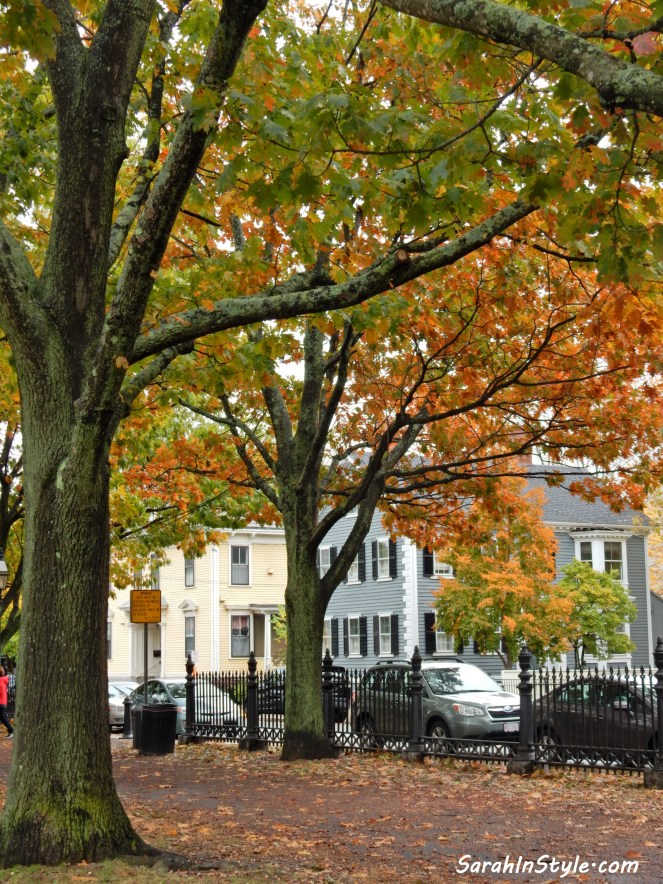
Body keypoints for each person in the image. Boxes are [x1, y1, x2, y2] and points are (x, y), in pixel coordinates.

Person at [0, 667, 14, 738]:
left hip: (1, 702)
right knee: (3, 718)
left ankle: (11, 730)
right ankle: (11, 731)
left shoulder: (1, 680)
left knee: (3, 718)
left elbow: (1, 691)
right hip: (3, 702)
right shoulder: (3, 680)